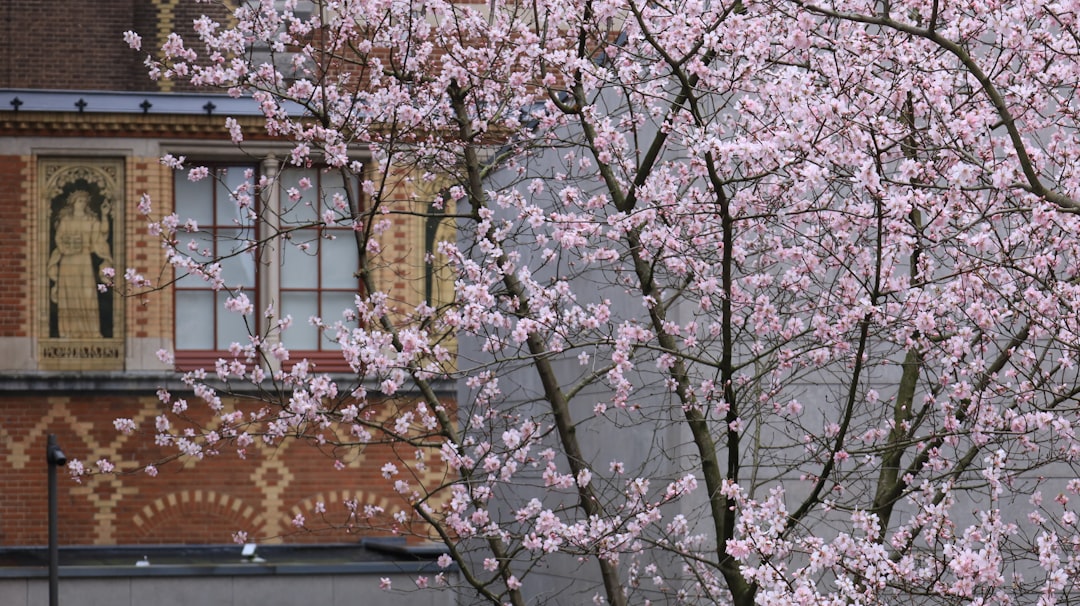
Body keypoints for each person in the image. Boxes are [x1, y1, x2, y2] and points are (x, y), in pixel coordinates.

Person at [47, 190, 113, 338]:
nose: (82, 204)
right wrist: (65, 249)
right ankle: (68, 331)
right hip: (68, 261)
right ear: (73, 203)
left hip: (84, 260)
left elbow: (101, 233)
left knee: (87, 294)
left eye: (84, 201)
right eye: (79, 201)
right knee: (69, 295)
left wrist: (104, 215)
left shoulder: (91, 220)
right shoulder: (66, 220)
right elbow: (59, 237)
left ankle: (91, 331)